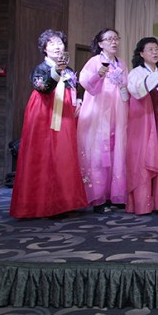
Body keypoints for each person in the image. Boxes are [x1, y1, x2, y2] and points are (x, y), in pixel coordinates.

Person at [10, 29, 88, 218]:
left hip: (65, 114)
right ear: (44, 48)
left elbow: (75, 89)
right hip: (44, 113)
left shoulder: (69, 70)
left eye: (59, 43)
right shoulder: (41, 69)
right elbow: (43, 88)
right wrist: (56, 71)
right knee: (44, 155)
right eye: (52, 43)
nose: (57, 47)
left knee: (64, 155)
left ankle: (65, 202)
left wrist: (79, 100)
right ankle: (42, 203)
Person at [77, 28, 129, 213]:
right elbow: (85, 82)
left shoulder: (121, 62)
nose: (113, 42)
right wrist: (98, 74)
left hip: (118, 111)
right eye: (109, 39)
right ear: (100, 44)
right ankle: (97, 197)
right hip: (98, 112)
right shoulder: (94, 61)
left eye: (116, 38)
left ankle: (115, 194)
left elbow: (125, 87)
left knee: (117, 150)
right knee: (98, 152)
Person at [126, 37, 158, 215]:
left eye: (156, 49)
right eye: (150, 49)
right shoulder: (136, 72)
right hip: (142, 121)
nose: (155, 52)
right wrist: (155, 77)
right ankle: (142, 202)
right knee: (143, 157)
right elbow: (136, 91)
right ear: (141, 53)